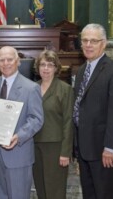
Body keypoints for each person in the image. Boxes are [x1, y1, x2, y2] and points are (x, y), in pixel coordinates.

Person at [73, 23, 113, 199]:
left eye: (94, 41)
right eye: (85, 40)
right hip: (85, 149)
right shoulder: (82, 70)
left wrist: (110, 148)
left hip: (104, 151)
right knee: (89, 195)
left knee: (105, 195)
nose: (88, 44)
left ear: (104, 43)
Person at [0, 46, 44, 199]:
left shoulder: (31, 88)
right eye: (2, 60)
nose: (6, 63)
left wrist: (18, 136)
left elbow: (37, 119)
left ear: (18, 61)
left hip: (18, 154)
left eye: (10, 59)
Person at [33, 50, 74, 199]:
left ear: (56, 68)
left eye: (50, 65)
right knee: (40, 187)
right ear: (37, 68)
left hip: (55, 147)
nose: (46, 68)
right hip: (34, 144)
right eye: (42, 64)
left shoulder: (65, 89)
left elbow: (69, 121)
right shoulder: (32, 88)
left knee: (54, 189)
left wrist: (65, 152)